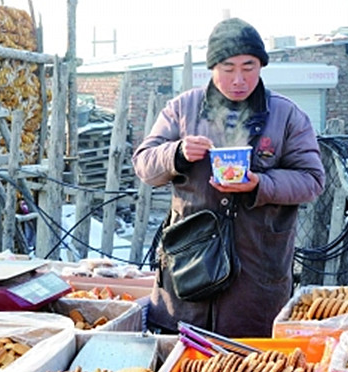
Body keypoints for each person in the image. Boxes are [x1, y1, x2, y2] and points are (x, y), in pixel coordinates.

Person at [132, 18, 326, 338]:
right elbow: (144, 164)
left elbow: (312, 180)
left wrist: (260, 185)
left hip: (258, 270)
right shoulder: (183, 108)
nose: (239, 79)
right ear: (212, 68)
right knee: (183, 365)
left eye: (248, 67)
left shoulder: (287, 115)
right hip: (189, 265)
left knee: (250, 370)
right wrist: (176, 154)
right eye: (228, 68)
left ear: (261, 65)